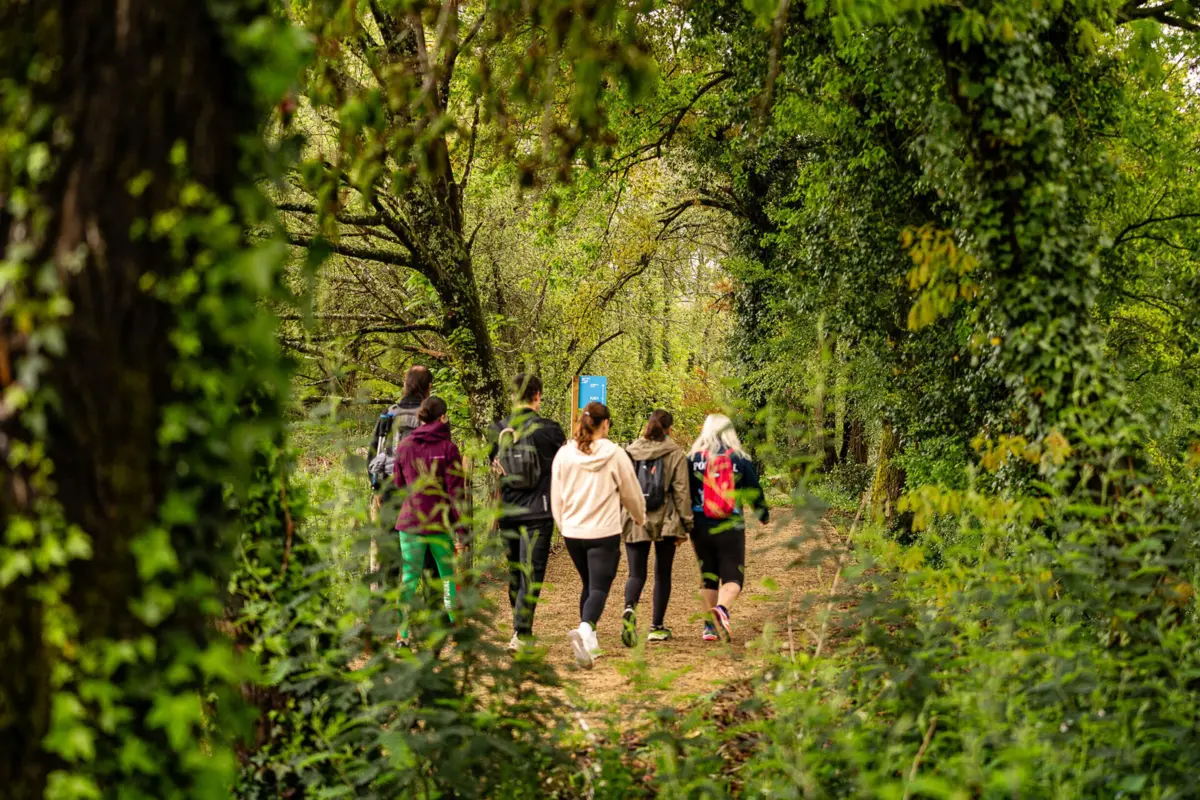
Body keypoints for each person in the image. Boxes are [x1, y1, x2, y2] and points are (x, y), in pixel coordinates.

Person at [550, 402, 646, 669]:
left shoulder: (564, 454)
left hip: (572, 531)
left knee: (588, 583)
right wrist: (640, 517)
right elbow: (631, 492)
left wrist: (563, 524)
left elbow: (556, 493)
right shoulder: (615, 454)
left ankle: (590, 643)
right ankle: (584, 629)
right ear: (605, 424)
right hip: (603, 531)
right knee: (599, 587)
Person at [487, 373, 566, 651]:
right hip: (539, 512)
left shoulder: (497, 430)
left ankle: (519, 628)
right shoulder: (551, 431)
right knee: (532, 573)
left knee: (515, 572)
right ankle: (522, 632)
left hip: (508, 510)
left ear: (512, 396)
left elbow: (494, 466)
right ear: (538, 396)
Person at [687, 414, 769, 643]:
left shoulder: (693, 458)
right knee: (733, 576)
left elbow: (683, 491)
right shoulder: (739, 459)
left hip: (700, 525)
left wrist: (684, 521)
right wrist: (763, 514)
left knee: (708, 576)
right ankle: (722, 609)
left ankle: (709, 628)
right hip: (731, 525)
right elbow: (754, 489)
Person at [393, 396, 465, 648]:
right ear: (442, 417)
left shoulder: (404, 445)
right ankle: (456, 629)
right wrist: (461, 530)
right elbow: (456, 493)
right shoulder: (448, 448)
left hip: (410, 522)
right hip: (438, 524)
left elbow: (399, 485)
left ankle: (402, 635)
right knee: (447, 578)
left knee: (409, 580)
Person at [620, 409, 693, 645]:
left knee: (635, 573)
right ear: (669, 429)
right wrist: (687, 524)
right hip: (667, 521)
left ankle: (630, 609)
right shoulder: (675, 453)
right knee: (662, 574)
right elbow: (681, 492)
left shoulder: (630, 452)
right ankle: (656, 626)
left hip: (636, 517)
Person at [367, 365, 437, 588]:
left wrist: (377, 488)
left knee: (390, 556)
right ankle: (429, 614)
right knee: (428, 557)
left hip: (390, 492)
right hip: (424, 495)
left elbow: (373, 454)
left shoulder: (389, 414)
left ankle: (387, 613)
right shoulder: (432, 416)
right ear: (428, 388)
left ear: (405, 385)